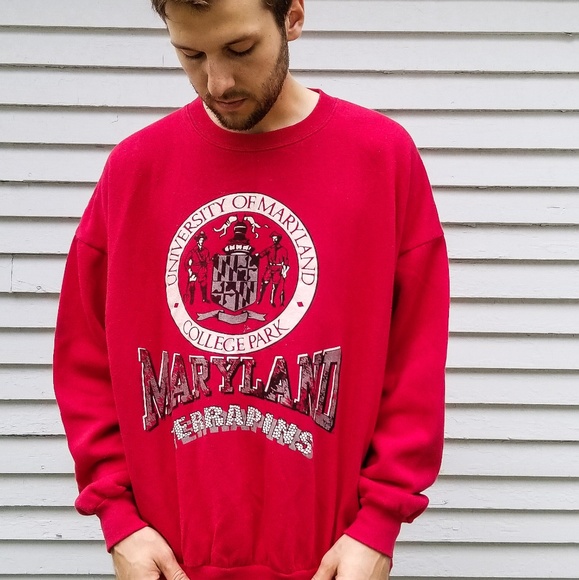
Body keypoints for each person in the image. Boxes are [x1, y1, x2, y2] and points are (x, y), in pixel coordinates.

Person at [53, 0, 449, 578]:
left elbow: (414, 358)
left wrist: (378, 526)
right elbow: (83, 358)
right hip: (171, 563)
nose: (218, 82)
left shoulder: (379, 157)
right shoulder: (136, 170)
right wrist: (120, 521)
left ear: (293, 17)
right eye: (191, 55)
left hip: (328, 562)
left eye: (240, 49)